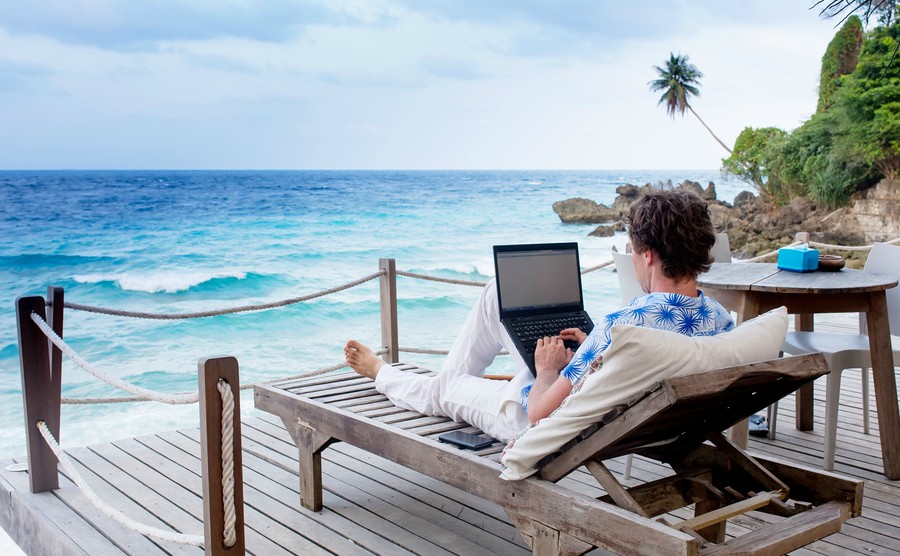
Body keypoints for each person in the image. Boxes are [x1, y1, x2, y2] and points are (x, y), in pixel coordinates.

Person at [345, 187, 734, 443]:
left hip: (549, 420)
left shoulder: (626, 323)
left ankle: (382, 373)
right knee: (499, 293)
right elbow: (639, 360)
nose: (631, 258)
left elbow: (538, 413)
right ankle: (438, 376)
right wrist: (592, 351)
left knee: (445, 387)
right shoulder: (720, 321)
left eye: (632, 249)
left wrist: (548, 368)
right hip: (630, 412)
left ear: (647, 254)